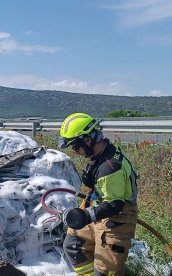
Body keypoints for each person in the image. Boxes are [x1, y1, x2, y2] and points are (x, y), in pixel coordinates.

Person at [58, 112, 138, 276]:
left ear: (88, 139)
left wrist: (85, 216)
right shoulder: (102, 154)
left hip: (117, 218)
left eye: (74, 146)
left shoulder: (110, 168)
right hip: (98, 209)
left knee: (105, 272)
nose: (74, 151)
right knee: (73, 245)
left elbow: (115, 204)